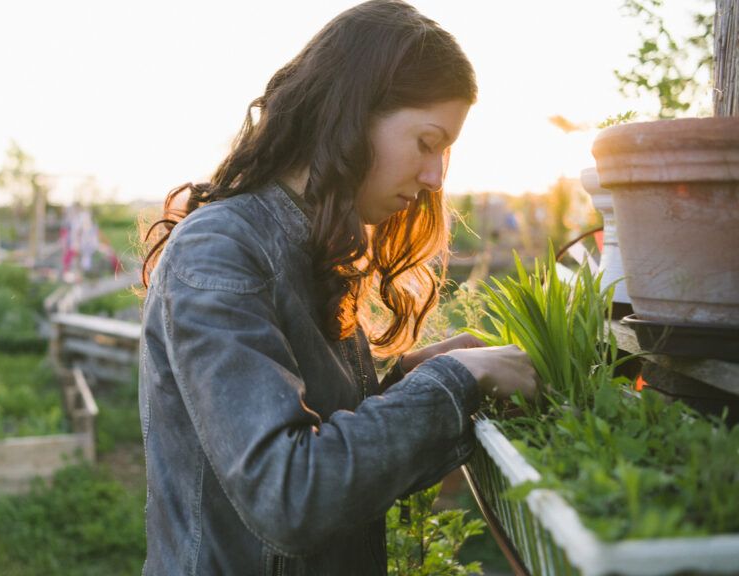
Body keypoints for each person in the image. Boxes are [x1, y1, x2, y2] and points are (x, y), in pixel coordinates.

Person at [137, 1, 539, 574]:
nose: (434, 178)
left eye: (446, 152)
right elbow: (290, 496)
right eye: (427, 142)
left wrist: (411, 383)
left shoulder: (313, 249)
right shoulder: (221, 250)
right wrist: (456, 382)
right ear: (350, 115)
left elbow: (326, 448)